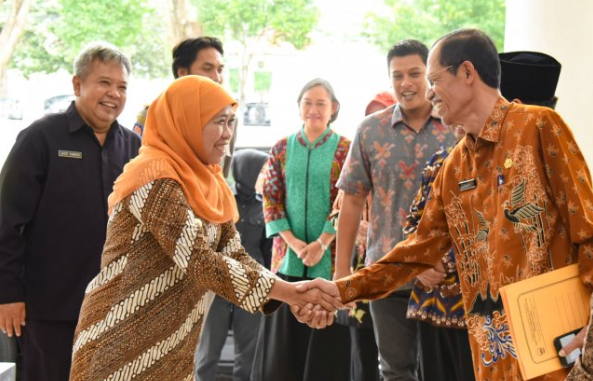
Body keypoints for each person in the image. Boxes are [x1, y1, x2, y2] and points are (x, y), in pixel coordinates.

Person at [297, 28, 593, 381]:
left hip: (561, 348)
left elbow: (587, 227)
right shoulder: (455, 167)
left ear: (467, 73)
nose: (429, 91)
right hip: (493, 354)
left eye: (434, 79)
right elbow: (416, 251)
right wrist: (342, 288)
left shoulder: (538, 127)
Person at [68, 76, 342, 381]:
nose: (227, 134)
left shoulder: (209, 183)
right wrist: (292, 293)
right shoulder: (154, 177)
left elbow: (234, 254)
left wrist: (291, 293)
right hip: (118, 344)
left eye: (231, 122)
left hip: (173, 346)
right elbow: (199, 261)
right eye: (218, 122)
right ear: (186, 121)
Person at [0, 42, 141, 381]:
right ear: (77, 85)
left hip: (114, 307)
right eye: (104, 83)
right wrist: (8, 294)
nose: (114, 94)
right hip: (51, 306)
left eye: (122, 86)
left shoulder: (135, 147)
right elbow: (7, 221)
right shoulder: (40, 138)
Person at [333, 39, 456, 381]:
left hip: (442, 274)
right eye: (397, 75)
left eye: (415, 73)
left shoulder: (455, 127)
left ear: (429, 76)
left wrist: (445, 261)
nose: (406, 83)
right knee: (394, 371)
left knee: (443, 370)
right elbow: (353, 200)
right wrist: (342, 272)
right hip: (386, 271)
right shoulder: (370, 130)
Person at [250, 78, 351, 381]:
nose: (314, 109)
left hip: (329, 260)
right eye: (307, 102)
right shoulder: (282, 147)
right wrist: (294, 244)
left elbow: (347, 201)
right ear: (299, 107)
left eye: (321, 103)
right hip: (288, 259)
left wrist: (321, 242)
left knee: (326, 350)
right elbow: (271, 197)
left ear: (333, 108)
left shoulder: (345, 148)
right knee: (283, 349)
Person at [403, 123, 475, 381]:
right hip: (431, 304)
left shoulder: (498, 160)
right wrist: (420, 261)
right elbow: (413, 222)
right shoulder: (439, 161)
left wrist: (444, 260)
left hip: (477, 310)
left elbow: (498, 231)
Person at [332, 91, 395, 381]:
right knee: (363, 355)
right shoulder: (362, 158)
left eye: (382, 112)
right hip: (361, 271)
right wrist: (353, 226)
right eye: (371, 113)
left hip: (393, 273)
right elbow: (337, 212)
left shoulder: (403, 162)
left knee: (396, 357)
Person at [195, 148, 272, 381]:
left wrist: (268, 288)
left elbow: (268, 252)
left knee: (248, 356)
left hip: (251, 287)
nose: (267, 176)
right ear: (246, 171)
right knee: (207, 352)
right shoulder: (220, 200)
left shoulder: (266, 207)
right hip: (217, 285)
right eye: (261, 171)